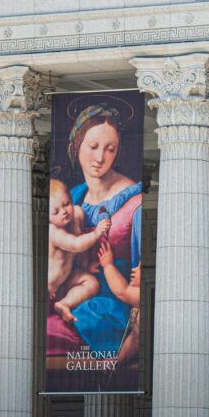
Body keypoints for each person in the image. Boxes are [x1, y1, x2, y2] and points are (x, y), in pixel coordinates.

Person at [46, 102, 142, 367]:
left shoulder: (134, 201)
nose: (100, 158)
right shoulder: (70, 197)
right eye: (93, 147)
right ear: (77, 145)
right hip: (75, 287)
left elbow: (140, 272)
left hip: (114, 300)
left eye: (109, 149)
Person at [47, 178, 110, 323]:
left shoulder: (76, 214)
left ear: (70, 197)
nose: (63, 212)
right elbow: (76, 244)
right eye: (55, 212)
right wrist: (96, 233)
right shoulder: (53, 232)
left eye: (66, 204)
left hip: (66, 280)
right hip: (49, 288)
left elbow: (79, 248)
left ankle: (64, 304)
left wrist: (86, 264)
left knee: (92, 283)